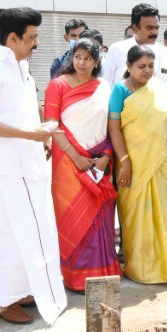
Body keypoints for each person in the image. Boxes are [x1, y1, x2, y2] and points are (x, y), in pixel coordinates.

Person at [0, 7, 69, 325]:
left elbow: (25, 111)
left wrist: (43, 137)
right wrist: (32, 134)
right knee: (9, 234)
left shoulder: (21, 68)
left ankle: (25, 289)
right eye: (32, 37)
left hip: (30, 163)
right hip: (7, 167)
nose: (36, 43)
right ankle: (3, 301)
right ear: (12, 39)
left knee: (34, 229)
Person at [108, 45, 167, 284]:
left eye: (151, 66)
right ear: (128, 67)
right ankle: (139, 267)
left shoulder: (163, 89)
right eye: (141, 66)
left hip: (160, 162)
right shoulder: (120, 90)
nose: (147, 71)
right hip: (131, 163)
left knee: (160, 213)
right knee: (134, 218)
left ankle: (164, 266)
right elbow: (113, 128)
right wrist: (124, 161)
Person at [45, 37, 121, 292]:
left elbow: (112, 127)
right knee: (72, 219)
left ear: (97, 61)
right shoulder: (57, 85)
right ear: (71, 57)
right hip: (68, 163)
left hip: (99, 162)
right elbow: (51, 125)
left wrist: (107, 156)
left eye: (88, 58)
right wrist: (75, 156)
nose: (81, 62)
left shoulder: (104, 87)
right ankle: (74, 278)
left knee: (100, 219)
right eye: (77, 57)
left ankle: (102, 274)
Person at [102, 4, 167, 85]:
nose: (155, 32)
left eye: (156, 28)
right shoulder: (117, 50)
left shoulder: (165, 53)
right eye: (149, 28)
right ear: (135, 28)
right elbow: (106, 85)